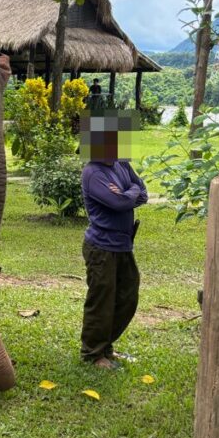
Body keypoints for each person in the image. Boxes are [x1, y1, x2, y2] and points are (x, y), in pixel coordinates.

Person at [79, 110, 147, 370]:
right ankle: (93, 353)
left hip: (123, 245)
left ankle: (107, 346)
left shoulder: (121, 164)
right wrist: (131, 193)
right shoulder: (93, 172)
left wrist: (129, 192)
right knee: (102, 300)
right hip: (101, 247)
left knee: (127, 296)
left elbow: (143, 193)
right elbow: (118, 203)